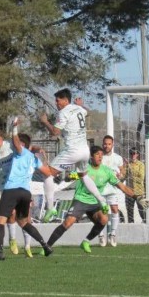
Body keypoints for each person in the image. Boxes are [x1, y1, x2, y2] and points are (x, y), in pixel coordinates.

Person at [44, 145, 148, 255]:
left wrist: (137, 197)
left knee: (104, 219)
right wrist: (70, 176)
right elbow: (68, 177)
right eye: (97, 154)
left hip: (95, 202)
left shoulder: (107, 172)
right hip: (81, 199)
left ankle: (86, 241)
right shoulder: (84, 169)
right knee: (67, 223)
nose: (100, 157)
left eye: (101, 155)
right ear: (91, 157)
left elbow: (123, 187)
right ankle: (47, 246)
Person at [0, 118, 52, 260]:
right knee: (23, 222)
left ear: (21, 145)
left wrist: (14, 128)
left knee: (0, 221)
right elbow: (47, 173)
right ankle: (45, 246)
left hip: (11, 189)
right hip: (26, 192)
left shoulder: (19, 152)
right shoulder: (33, 158)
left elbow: (16, 143)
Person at [38, 89, 107, 222]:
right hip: (85, 151)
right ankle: (101, 199)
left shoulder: (63, 112)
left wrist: (45, 121)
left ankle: (51, 207)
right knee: (83, 175)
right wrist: (80, 105)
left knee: (47, 173)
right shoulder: (78, 108)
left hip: (72, 151)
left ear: (65, 100)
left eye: (58, 100)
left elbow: (55, 132)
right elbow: (89, 112)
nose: (56, 103)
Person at [0, 126, 36, 256]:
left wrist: (36, 149)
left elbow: (25, 150)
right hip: (5, 188)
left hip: (21, 185)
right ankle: (13, 239)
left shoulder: (11, 146)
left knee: (26, 218)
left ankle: (27, 247)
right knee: (12, 214)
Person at [98, 135, 126, 247]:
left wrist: (121, 176)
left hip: (112, 189)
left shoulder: (118, 158)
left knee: (114, 209)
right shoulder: (99, 157)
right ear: (102, 144)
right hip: (100, 189)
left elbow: (123, 173)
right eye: (105, 144)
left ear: (112, 144)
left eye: (109, 144)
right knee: (101, 213)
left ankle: (112, 234)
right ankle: (101, 235)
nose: (107, 146)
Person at [125, 148, 146, 223]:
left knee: (142, 212)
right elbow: (124, 176)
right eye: (131, 153)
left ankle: (145, 224)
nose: (132, 155)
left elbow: (141, 177)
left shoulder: (141, 164)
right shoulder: (128, 164)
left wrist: (130, 168)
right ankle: (130, 228)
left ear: (137, 154)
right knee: (129, 213)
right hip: (129, 192)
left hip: (139, 192)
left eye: (134, 153)